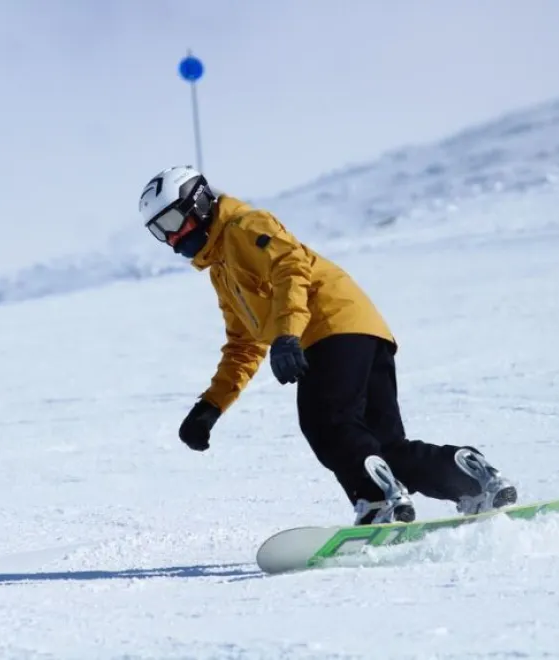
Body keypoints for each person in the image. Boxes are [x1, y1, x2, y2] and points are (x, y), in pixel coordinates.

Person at [139, 165, 517, 524]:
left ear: (200, 202)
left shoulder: (244, 225)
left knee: (328, 423)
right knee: (383, 447)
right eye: (160, 231)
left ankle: (378, 500)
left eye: (173, 223)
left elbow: (290, 265)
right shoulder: (222, 270)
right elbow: (243, 344)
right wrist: (210, 406)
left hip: (329, 328)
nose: (172, 239)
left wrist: (288, 333)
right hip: (363, 329)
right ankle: (471, 478)